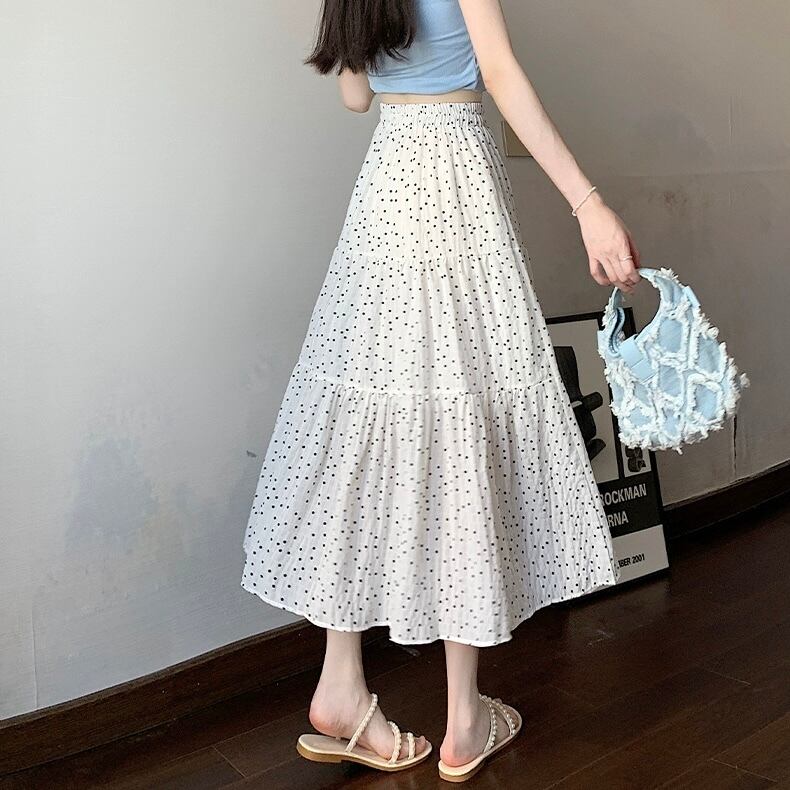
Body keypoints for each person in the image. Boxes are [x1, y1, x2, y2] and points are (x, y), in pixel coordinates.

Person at [241, 0, 640, 781]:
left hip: (387, 189)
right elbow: (500, 71)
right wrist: (587, 204)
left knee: (369, 425)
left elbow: (356, 95)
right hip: (458, 189)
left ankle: (341, 685)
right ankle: (463, 718)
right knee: (462, 421)